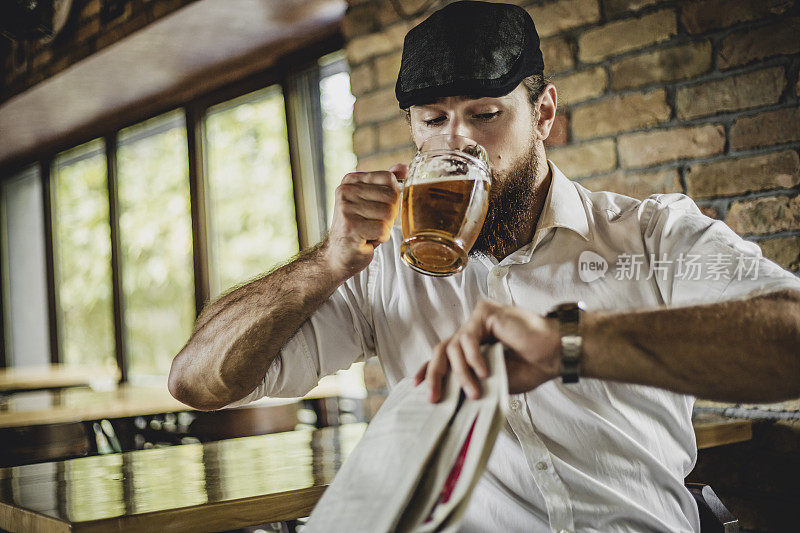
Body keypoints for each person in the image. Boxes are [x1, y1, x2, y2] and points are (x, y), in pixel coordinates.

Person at [169, 2, 800, 531]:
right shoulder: (384, 268)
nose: (458, 142)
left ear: (543, 114)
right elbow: (199, 383)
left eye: (485, 114)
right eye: (434, 120)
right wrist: (327, 262)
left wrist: (570, 343)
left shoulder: (650, 233)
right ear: (414, 132)